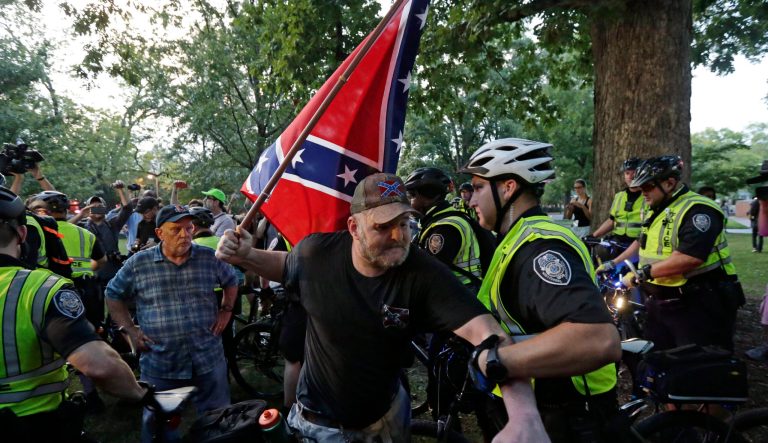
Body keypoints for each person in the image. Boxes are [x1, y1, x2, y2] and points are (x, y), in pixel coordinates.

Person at [216, 172, 549, 443]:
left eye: (404, 223)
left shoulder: (423, 272)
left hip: (387, 418)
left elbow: (489, 335)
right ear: (353, 228)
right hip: (317, 424)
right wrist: (246, 254)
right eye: (383, 226)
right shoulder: (317, 255)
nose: (398, 235)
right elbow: (285, 265)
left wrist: (524, 417)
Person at [459, 138, 621, 442]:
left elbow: (599, 340)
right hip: (539, 405)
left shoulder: (538, 247)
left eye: (478, 187)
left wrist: (495, 362)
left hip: (568, 413)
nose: (470, 200)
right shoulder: (514, 237)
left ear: (507, 188)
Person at [0, 186, 148, 443]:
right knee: (85, 342)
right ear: (23, 233)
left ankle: (91, 396)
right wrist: (139, 393)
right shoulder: (41, 286)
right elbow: (98, 364)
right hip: (34, 423)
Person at [106, 205, 238, 443]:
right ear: (160, 233)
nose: (185, 234)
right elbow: (112, 294)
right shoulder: (139, 263)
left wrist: (226, 311)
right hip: (162, 362)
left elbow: (231, 280)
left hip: (207, 357)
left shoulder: (208, 258)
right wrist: (130, 330)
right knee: (160, 424)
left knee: (218, 420)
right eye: (176, 229)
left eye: (189, 228)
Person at [601, 155, 743, 352]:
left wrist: (641, 274)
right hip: (660, 303)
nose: (642, 193)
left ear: (669, 183)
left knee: (697, 364)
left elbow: (690, 257)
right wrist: (613, 263)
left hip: (699, 303)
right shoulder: (655, 209)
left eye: (648, 186)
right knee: (659, 359)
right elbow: (640, 243)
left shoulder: (698, 210)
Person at [28, 190, 109, 410]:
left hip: (57, 291)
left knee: (58, 343)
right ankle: (97, 389)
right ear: (65, 210)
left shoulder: (38, 230)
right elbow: (101, 260)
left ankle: (66, 394)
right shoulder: (85, 233)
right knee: (88, 339)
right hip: (90, 289)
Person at [404, 167, 494, 292]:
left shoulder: (445, 227)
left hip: (462, 293)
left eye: (411, 197)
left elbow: (428, 273)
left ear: (427, 197)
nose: (409, 203)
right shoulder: (438, 220)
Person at [590, 157, 644, 255]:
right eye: (627, 173)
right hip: (617, 243)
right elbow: (612, 220)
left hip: (638, 244)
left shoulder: (648, 196)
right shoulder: (619, 196)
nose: (630, 177)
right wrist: (594, 235)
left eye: (634, 173)